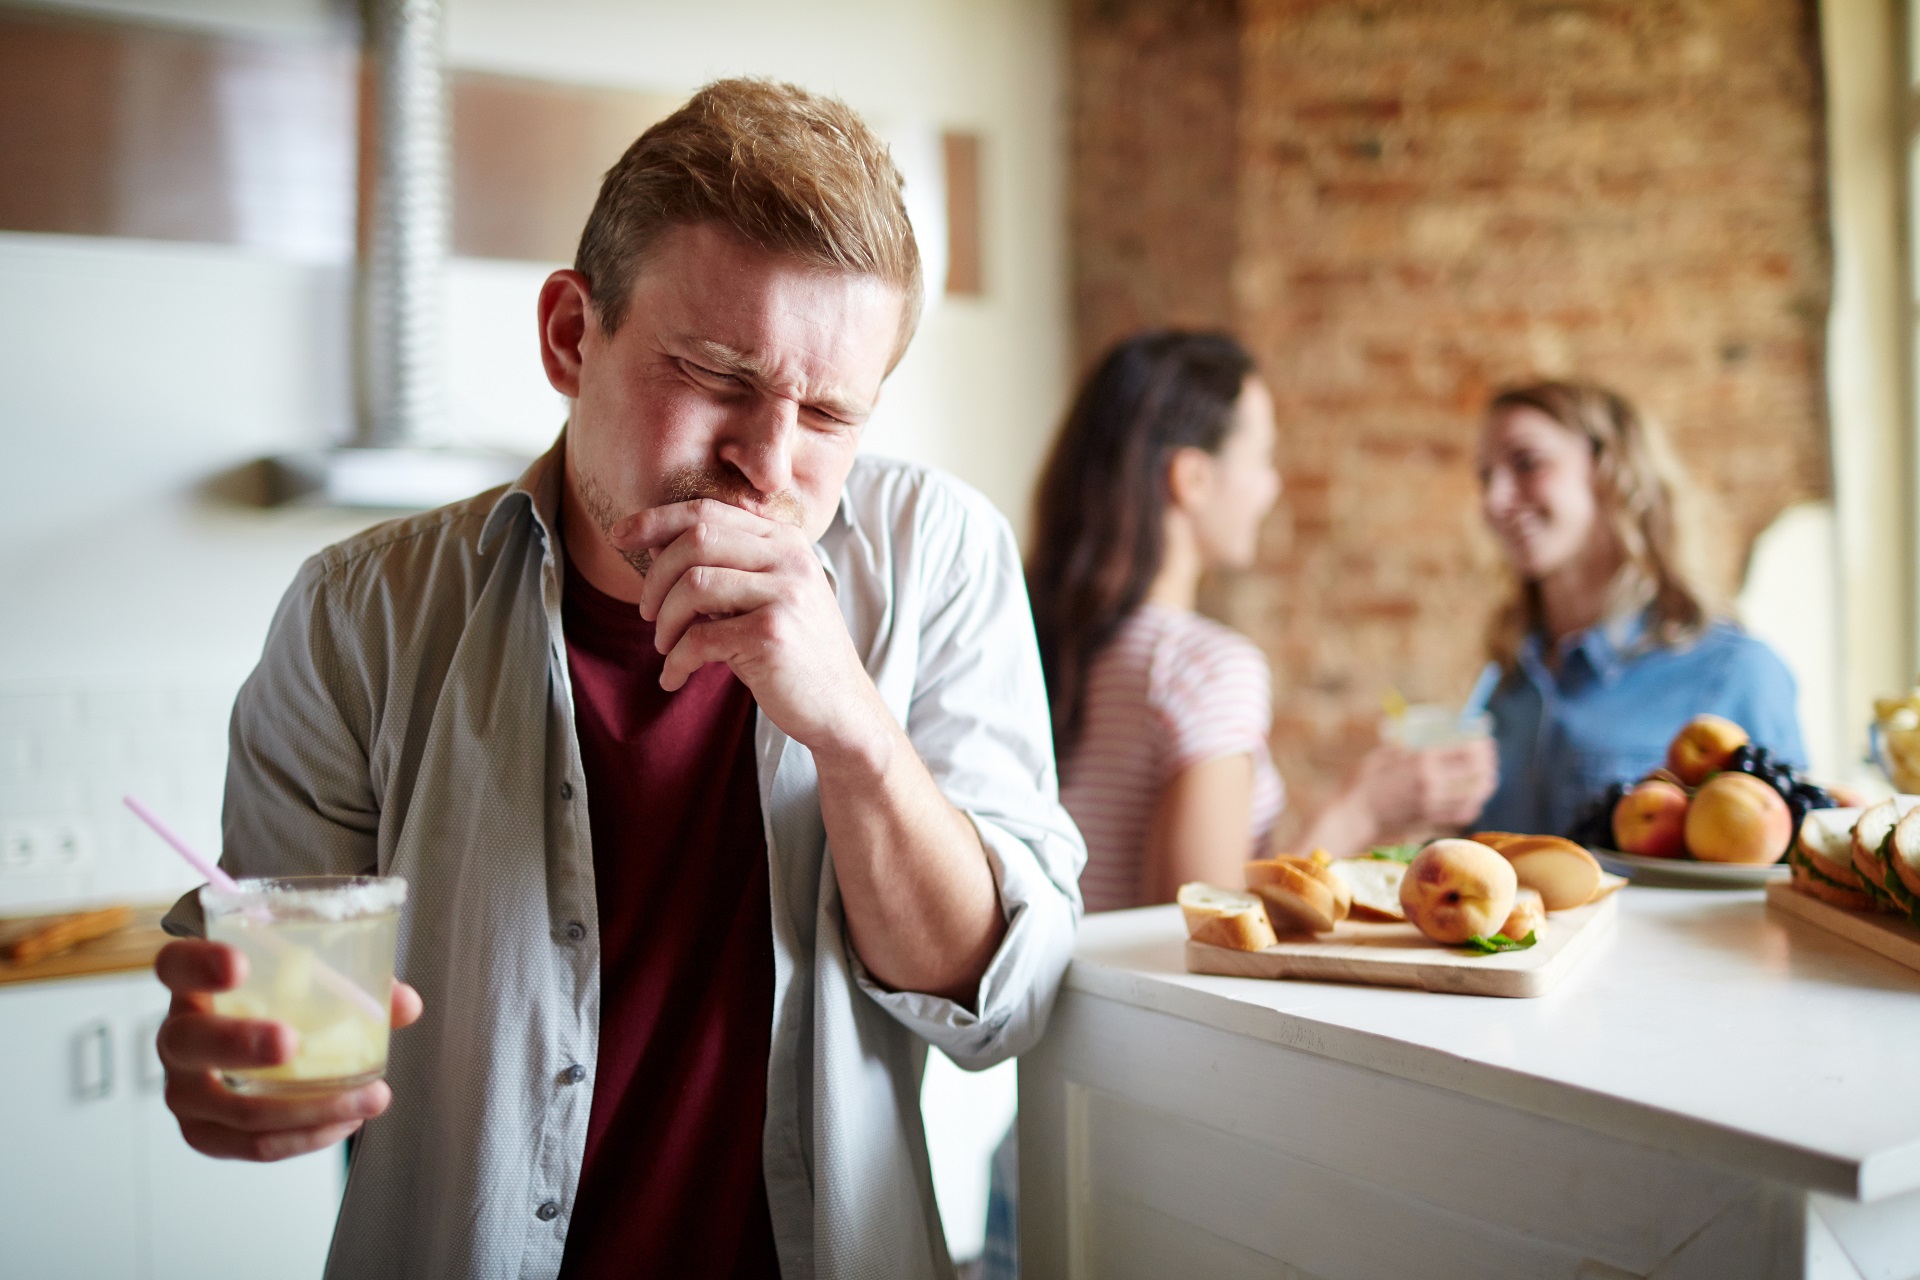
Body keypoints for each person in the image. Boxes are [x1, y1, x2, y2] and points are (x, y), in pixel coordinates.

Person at [149, 79, 1084, 1280]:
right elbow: (260, 1021)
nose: (768, 461)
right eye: (717, 375)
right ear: (568, 335)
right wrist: (225, 1061)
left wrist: (855, 733)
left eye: (830, 413)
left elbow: (997, 1002)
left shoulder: (938, 557)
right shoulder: (358, 615)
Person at [1027, 331, 1498, 911]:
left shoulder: (1042, 641)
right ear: (1193, 479)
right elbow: (1197, 932)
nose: (1271, 487)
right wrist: (1358, 812)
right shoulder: (1205, 668)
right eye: (1263, 459)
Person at [1472, 378, 1805, 836]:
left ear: (1611, 471)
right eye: (1486, 477)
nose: (1494, 501)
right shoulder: (1508, 680)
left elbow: (1785, 874)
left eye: (1527, 464)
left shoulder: (1735, 674)